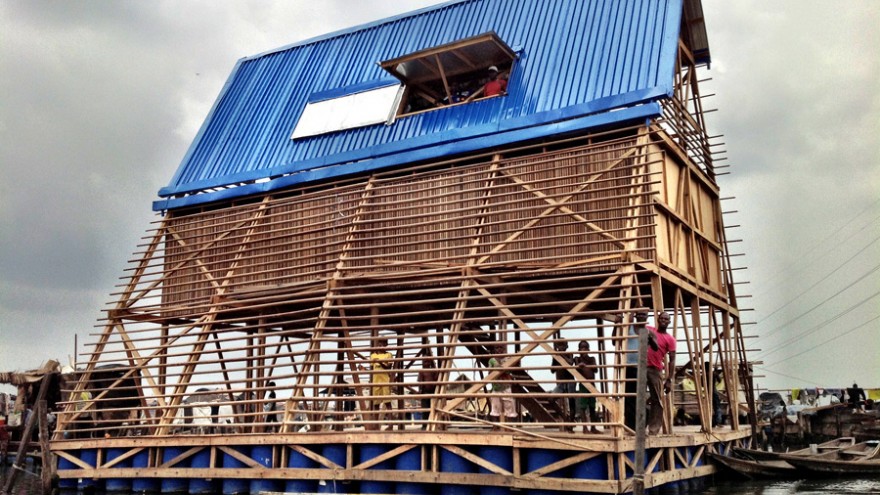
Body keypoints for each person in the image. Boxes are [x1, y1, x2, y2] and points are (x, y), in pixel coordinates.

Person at [646, 311, 675, 435]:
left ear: (669, 322)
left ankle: (653, 430)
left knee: (656, 399)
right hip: (641, 367)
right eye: (662, 318)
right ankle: (636, 427)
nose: (663, 320)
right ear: (658, 319)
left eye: (666, 319)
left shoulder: (670, 339)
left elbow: (672, 360)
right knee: (637, 398)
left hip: (655, 370)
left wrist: (669, 379)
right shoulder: (649, 329)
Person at [488, 344, 517, 427]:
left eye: (501, 347)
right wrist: (497, 370)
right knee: (495, 406)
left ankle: (510, 427)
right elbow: (490, 373)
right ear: (494, 349)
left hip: (506, 386)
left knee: (509, 406)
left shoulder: (508, 359)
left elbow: (509, 371)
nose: (499, 349)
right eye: (497, 347)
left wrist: (501, 369)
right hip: (496, 387)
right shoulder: (492, 360)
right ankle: (495, 427)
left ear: (504, 349)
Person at [576, 340, 600, 433]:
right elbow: (577, 368)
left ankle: (593, 427)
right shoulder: (577, 359)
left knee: (592, 406)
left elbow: (595, 369)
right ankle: (585, 428)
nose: (583, 350)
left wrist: (585, 365)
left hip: (592, 384)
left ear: (588, 349)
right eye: (582, 348)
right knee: (583, 407)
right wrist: (579, 366)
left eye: (585, 348)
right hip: (583, 385)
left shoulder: (592, 359)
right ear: (579, 350)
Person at [370, 338, 395, 426]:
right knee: (376, 404)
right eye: (380, 345)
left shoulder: (389, 355)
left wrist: (380, 363)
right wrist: (363, 369)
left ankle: (390, 424)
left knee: (387, 402)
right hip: (376, 381)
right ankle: (376, 424)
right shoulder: (373, 356)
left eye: (384, 345)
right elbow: (372, 369)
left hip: (385, 381)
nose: (382, 346)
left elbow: (388, 367)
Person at [551, 340, 576, 423]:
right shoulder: (556, 357)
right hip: (561, 383)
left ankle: (571, 423)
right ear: (557, 347)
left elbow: (571, 363)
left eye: (563, 345)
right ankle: (565, 419)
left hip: (570, 381)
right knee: (551, 399)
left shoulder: (569, 354)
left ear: (567, 346)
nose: (561, 347)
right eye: (559, 345)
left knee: (571, 402)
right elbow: (552, 370)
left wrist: (562, 356)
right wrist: (557, 360)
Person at [417, 349, 438, 427]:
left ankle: (432, 424)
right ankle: (425, 425)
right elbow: (420, 382)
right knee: (425, 409)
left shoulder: (433, 370)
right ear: (422, 362)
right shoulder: (422, 371)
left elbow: (436, 379)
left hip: (432, 392)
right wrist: (420, 391)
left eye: (428, 361)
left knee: (432, 409)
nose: (427, 363)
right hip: (425, 393)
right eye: (425, 361)